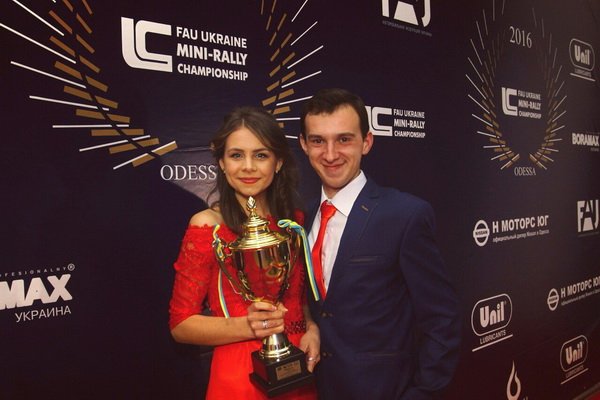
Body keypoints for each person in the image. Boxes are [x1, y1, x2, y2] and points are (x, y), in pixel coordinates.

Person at [298, 88, 461, 400]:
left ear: (367, 142)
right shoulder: (301, 220)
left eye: (344, 139)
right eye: (318, 140)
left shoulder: (405, 215)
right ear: (304, 145)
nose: (330, 154)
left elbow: (442, 319)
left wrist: (422, 394)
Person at [169, 106, 319, 400]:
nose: (248, 167)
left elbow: (298, 300)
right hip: (239, 376)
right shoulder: (207, 226)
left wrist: (312, 328)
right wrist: (250, 326)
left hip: (298, 368)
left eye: (260, 155)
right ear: (222, 163)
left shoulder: (294, 223)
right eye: (236, 155)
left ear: (278, 162)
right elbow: (181, 325)